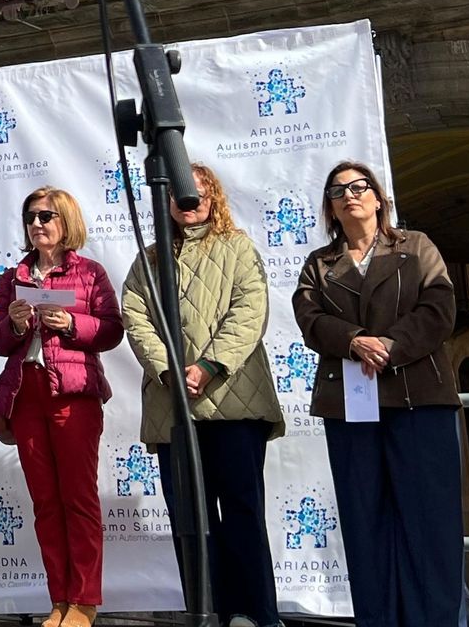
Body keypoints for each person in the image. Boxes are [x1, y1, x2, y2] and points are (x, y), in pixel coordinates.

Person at [293, 160, 461, 627]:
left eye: (359, 186)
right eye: (338, 190)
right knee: (365, 522)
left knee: (430, 523)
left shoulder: (417, 246)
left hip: (419, 400)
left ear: (378, 197)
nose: (350, 195)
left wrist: (389, 345)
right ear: (330, 208)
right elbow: (309, 318)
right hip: (351, 407)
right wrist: (353, 340)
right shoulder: (319, 264)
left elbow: (439, 308)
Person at [120, 161, 283, 627]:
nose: (188, 203)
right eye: (178, 194)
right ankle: (208, 613)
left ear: (214, 199)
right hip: (173, 409)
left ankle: (257, 614)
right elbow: (135, 316)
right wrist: (170, 371)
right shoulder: (150, 259)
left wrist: (209, 367)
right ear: (165, 201)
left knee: (242, 513)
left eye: (197, 194)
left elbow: (249, 311)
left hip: (234, 404)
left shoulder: (238, 247)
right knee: (189, 523)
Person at [0, 187, 123, 627]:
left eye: (46, 216)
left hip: (73, 394)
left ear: (66, 220)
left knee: (78, 500)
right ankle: (59, 600)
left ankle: (84, 601)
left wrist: (71, 324)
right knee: (45, 502)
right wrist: (14, 324)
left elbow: (112, 330)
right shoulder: (14, 276)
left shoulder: (89, 273)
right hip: (26, 393)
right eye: (31, 216)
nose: (37, 223)